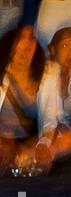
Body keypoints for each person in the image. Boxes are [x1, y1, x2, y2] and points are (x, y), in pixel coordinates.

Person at [35, 26, 71, 171]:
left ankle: (54, 157)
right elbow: (48, 118)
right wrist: (47, 141)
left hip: (64, 133)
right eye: (65, 45)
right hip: (42, 131)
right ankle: (46, 156)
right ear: (53, 49)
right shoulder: (47, 72)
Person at [0, 24, 45, 172]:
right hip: (2, 138)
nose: (27, 44)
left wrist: (26, 146)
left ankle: (21, 157)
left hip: (29, 141)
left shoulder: (46, 74)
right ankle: (19, 161)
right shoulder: (2, 73)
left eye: (32, 37)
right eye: (20, 37)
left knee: (67, 134)